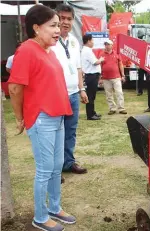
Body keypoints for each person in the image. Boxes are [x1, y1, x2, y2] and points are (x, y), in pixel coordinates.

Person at [8, 4, 76, 231]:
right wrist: (20, 119)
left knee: (57, 167)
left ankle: (55, 207)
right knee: (45, 169)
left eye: (59, 25)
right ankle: (40, 215)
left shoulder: (50, 50)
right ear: (36, 28)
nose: (59, 29)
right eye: (53, 25)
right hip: (41, 118)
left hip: (57, 116)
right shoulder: (27, 50)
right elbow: (15, 87)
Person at [52, 4, 88, 177]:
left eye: (69, 19)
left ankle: (68, 162)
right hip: (56, 94)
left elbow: (79, 68)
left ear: (73, 21)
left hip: (73, 93)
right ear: (56, 18)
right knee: (56, 133)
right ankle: (55, 170)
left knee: (70, 131)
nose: (65, 22)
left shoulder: (74, 40)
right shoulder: (50, 39)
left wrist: (82, 89)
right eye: (62, 18)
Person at [98, 39, 127, 115]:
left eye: (108, 44)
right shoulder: (101, 54)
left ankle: (121, 108)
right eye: (105, 44)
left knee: (119, 93)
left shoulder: (117, 54)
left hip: (116, 77)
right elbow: (99, 66)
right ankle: (112, 108)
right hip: (105, 78)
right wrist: (100, 77)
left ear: (112, 45)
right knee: (108, 94)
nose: (106, 46)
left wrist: (123, 75)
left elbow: (120, 65)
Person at [81, 34, 104, 120]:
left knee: (92, 95)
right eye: (92, 40)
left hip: (92, 75)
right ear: (88, 41)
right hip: (91, 75)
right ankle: (90, 115)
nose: (93, 42)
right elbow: (95, 62)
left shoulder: (87, 50)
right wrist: (101, 60)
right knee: (90, 95)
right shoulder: (87, 51)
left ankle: (92, 112)